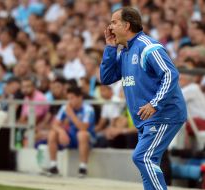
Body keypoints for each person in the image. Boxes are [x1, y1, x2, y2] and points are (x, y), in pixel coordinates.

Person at [100, 7, 187, 190]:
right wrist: (110, 48)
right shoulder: (124, 51)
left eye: (114, 22)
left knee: (143, 157)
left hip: (164, 113)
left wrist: (155, 103)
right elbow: (106, 78)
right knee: (147, 165)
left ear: (127, 25)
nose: (110, 27)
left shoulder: (148, 46)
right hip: (145, 118)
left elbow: (170, 75)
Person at [47, 86, 95, 177]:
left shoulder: (88, 109)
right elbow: (54, 124)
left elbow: (83, 128)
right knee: (52, 133)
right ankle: (53, 166)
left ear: (80, 97)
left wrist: (71, 114)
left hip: (88, 138)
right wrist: (61, 132)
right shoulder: (66, 107)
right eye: (68, 98)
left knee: (82, 134)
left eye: (72, 98)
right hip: (72, 136)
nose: (69, 101)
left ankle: (83, 168)